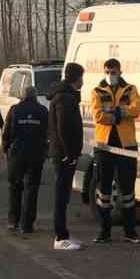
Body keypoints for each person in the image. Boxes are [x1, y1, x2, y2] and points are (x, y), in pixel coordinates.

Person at [92, 58, 140, 245]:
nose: (110, 75)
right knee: (103, 191)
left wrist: (116, 112)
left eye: (113, 71)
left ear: (120, 72)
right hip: (104, 146)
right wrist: (120, 113)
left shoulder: (130, 89)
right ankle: (104, 231)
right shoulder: (97, 90)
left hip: (126, 145)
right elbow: (98, 115)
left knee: (127, 191)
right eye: (107, 71)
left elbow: (136, 109)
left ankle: (130, 231)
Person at [47, 63, 85, 251]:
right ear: (76, 78)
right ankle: (60, 237)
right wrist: (69, 153)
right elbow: (63, 127)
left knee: (65, 195)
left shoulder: (65, 96)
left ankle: (64, 234)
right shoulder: (64, 99)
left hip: (63, 153)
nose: (82, 82)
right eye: (81, 77)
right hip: (63, 155)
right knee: (61, 196)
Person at [2, 85, 49, 233]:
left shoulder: (15, 110)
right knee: (32, 189)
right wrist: (45, 151)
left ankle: (13, 221)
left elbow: (6, 132)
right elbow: (48, 133)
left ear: (22, 96)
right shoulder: (43, 111)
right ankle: (27, 224)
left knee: (15, 187)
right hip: (36, 154)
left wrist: (5, 149)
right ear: (35, 96)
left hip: (17, 154)